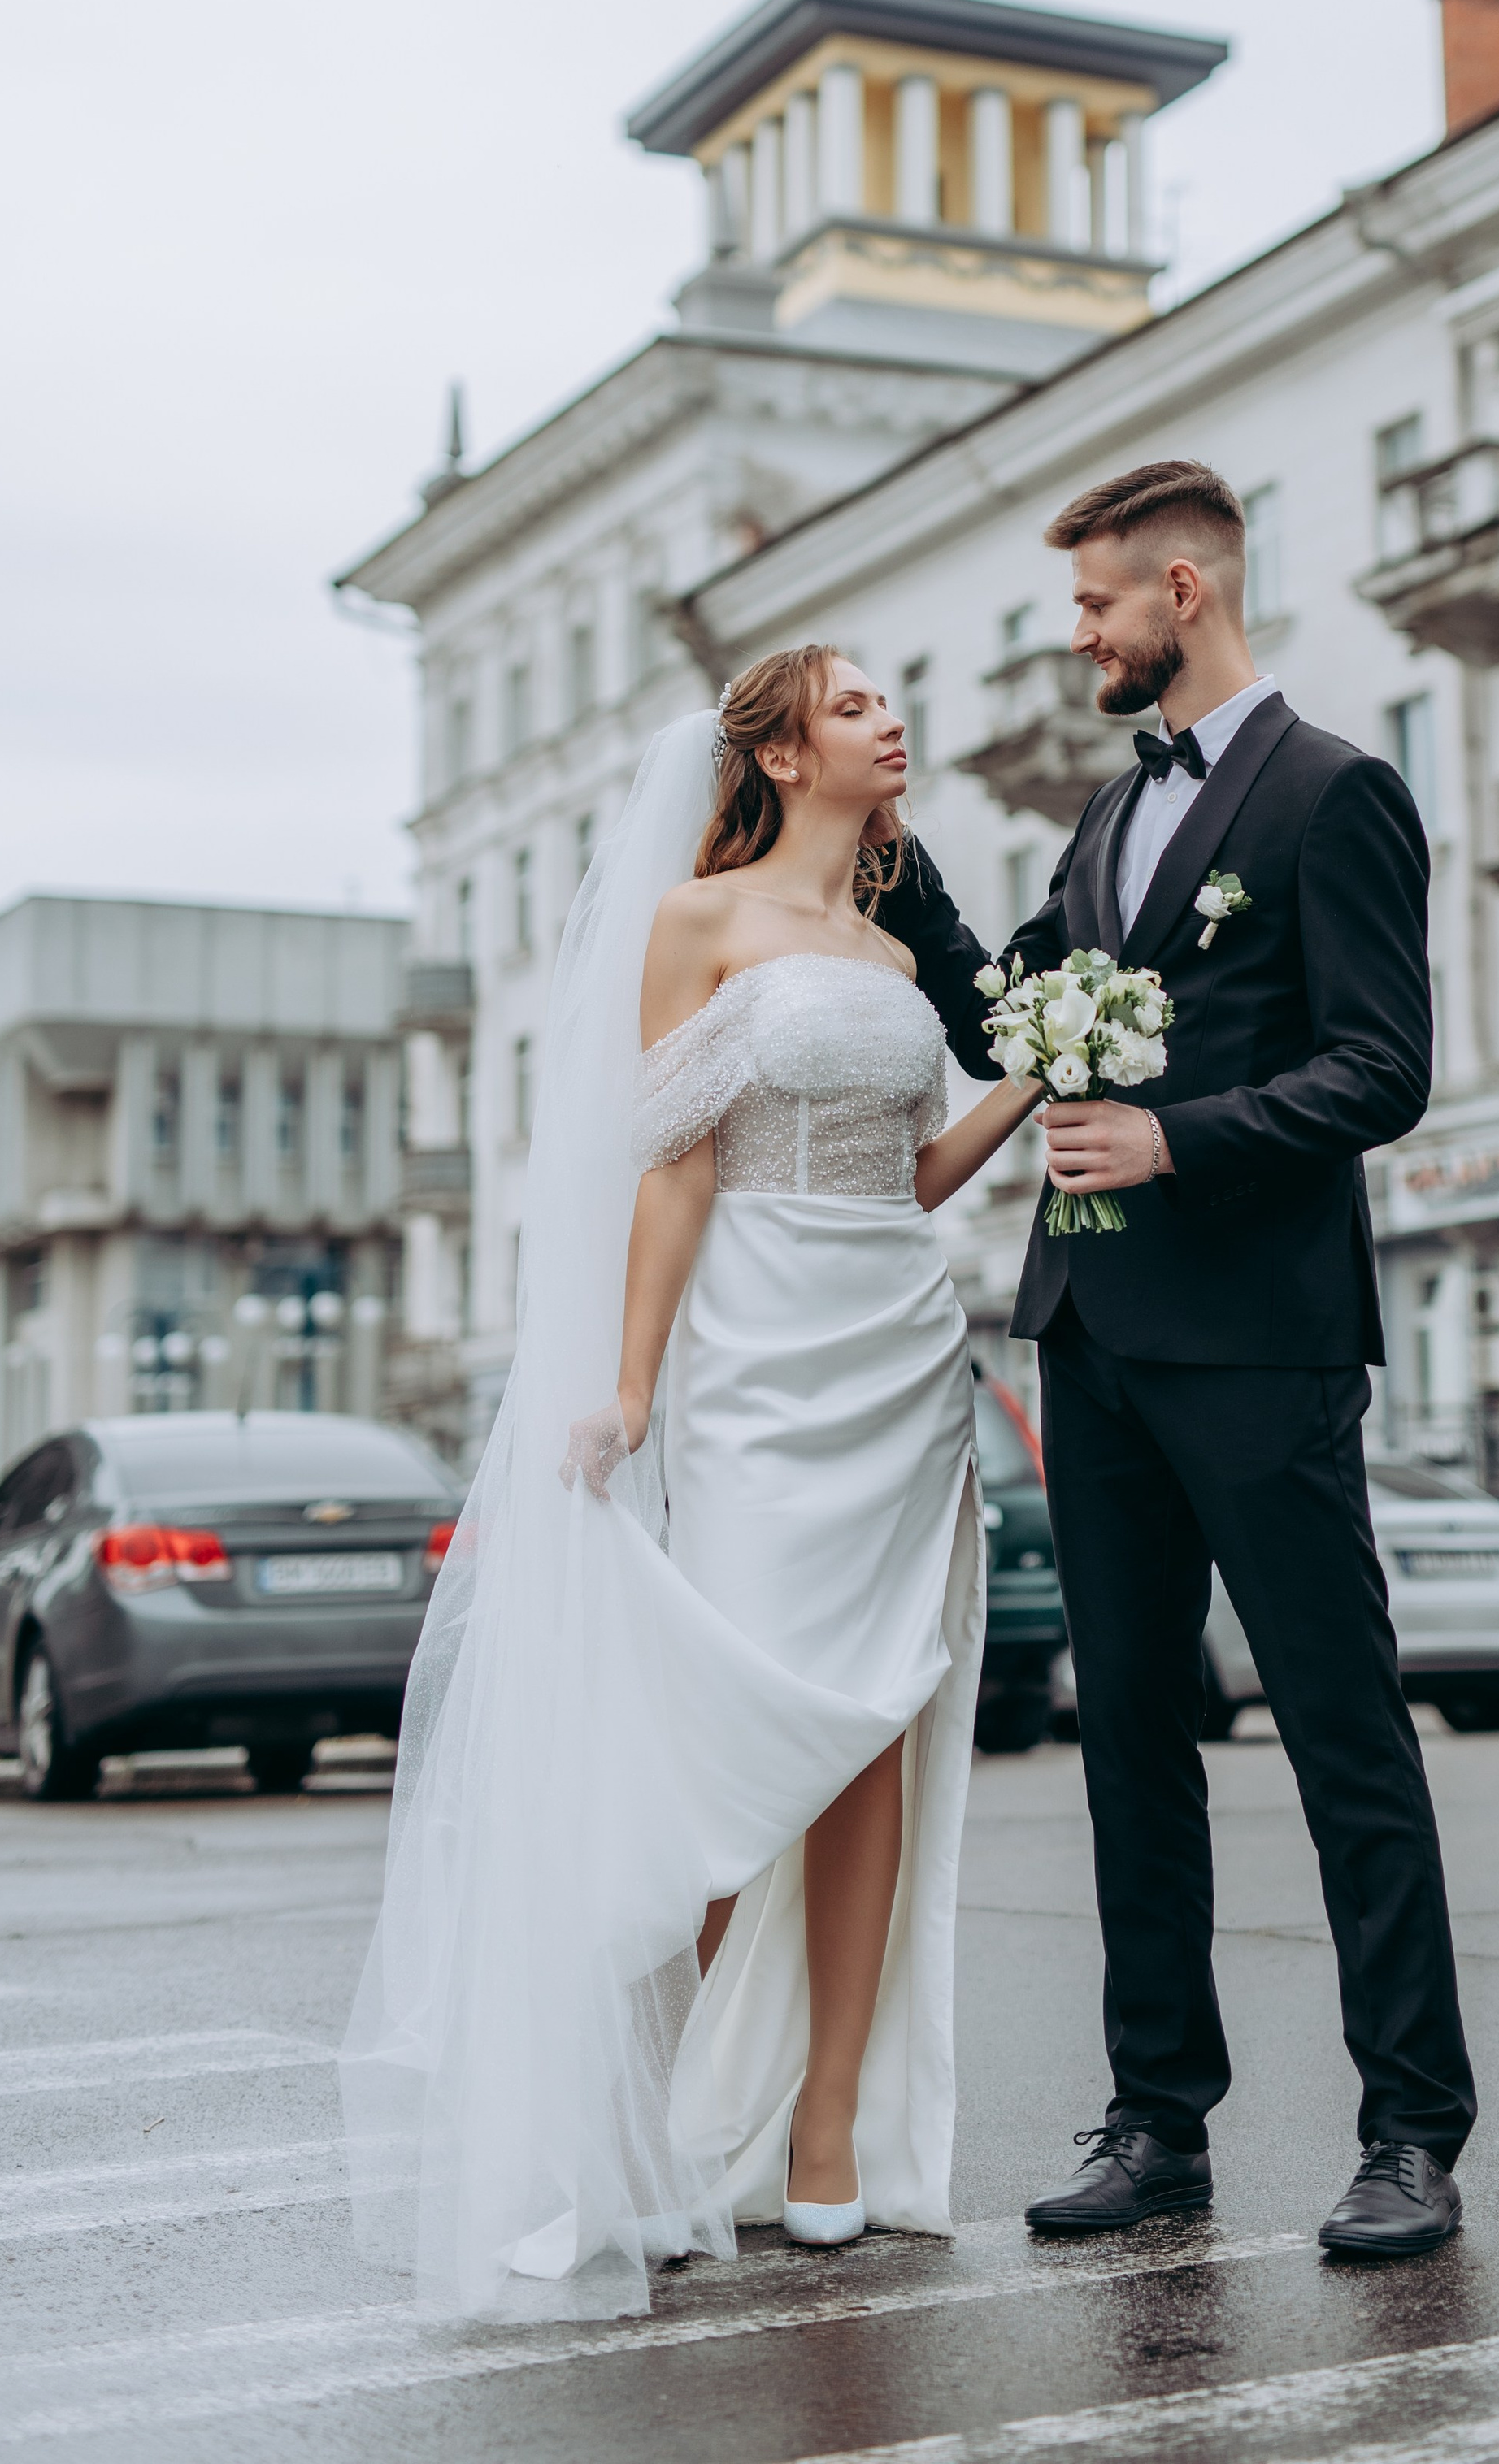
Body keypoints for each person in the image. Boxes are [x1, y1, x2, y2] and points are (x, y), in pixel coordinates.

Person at [341, 650, 1039, 2320]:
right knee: (732, 1734)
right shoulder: (699, 922)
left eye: (891, 699)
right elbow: (670, 1169)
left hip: (896, 1346)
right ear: (784, 752)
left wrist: (1037, 1072)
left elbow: (921, 1172)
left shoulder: (889, 950)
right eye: (859, 702)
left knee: (874, 1725)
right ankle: (640, 2126)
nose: (891, 718)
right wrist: (631, 1383)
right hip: (755, 1361)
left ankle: (822, 2136)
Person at [880, 458, 1477, 2259]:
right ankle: (1159, 2121)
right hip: (1092, 1336)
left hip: (1258, 1343)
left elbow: (1383, 1066)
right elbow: (1015, 1015)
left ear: (1188, 589)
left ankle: (1411, 2135)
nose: (1078, 639)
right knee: (1128, 1734)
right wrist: (892, 887)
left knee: (1335, 1729)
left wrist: (1178, 1137)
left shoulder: (1333, 794)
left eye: (1093, 608)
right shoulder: (1101, 813)